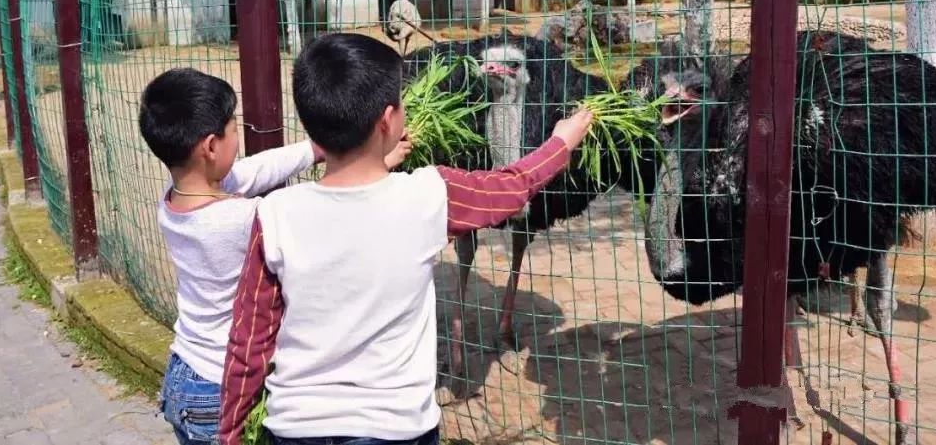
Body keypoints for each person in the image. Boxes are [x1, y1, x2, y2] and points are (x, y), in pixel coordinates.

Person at [218, 33, 595, 445]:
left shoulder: (274, 213)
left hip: (297, 426)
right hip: (395, 428)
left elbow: (249, 340)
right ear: (388, 120)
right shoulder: (429, 194)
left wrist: (231, 432)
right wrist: (561, 143)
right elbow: (512, 187)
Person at [138, 67, 410, 445]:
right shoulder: (238, 220)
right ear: (212, 146)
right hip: (222, 387)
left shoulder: (174, 197)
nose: (239, 136)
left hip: (184, 371)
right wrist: (374, 164)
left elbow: (256, 170)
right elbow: (317, 211)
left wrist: (316, 149)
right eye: (234, 129)